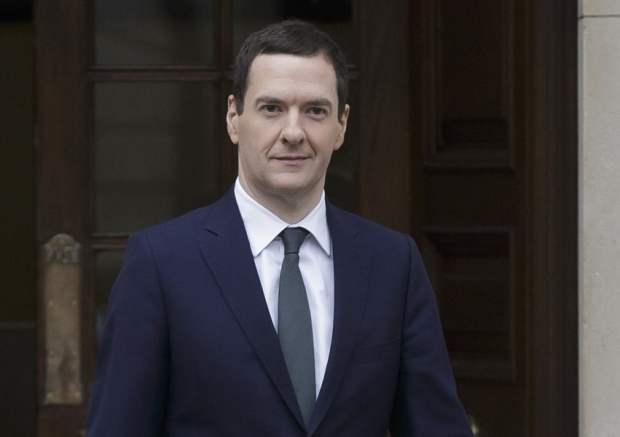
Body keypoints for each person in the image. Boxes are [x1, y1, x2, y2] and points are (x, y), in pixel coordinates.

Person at [86, 20, 473, 437]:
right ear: (234, 117)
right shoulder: (161, 264)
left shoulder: (393, 263)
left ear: (341, 124)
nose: (293, 132)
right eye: (272, 108)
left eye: (315, 111)